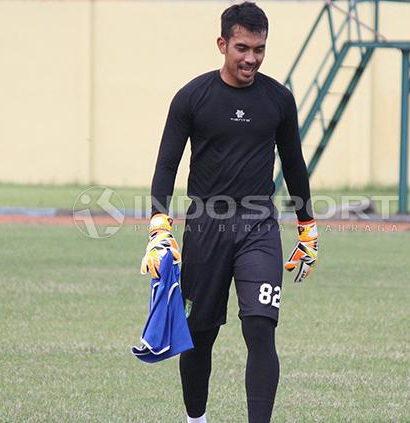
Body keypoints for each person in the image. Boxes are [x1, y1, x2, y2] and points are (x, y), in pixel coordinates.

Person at [139, 3, 318, 422]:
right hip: (205, 228)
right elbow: (166, 165)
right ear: (222, 44)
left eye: (259, 48)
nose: (251, 58)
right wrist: (158, 225)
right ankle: (195, 420)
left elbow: (294, 165)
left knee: (260, 329)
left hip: (259, 227)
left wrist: (307, 227)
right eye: (242, 47)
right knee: (200, 336)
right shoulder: (192, 97)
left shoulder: (279, 99)